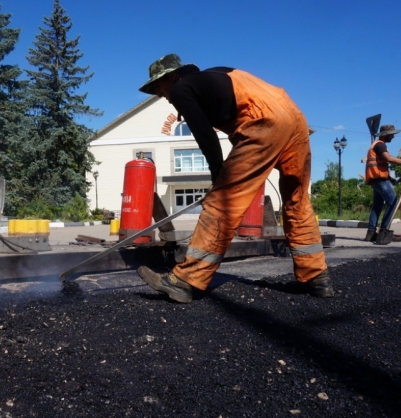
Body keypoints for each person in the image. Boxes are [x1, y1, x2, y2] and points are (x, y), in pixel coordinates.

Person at [136, 53, 333, 302]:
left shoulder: (181, 89)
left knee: (222, 203)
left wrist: (218, 176)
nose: (160, 94)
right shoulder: (215, 74)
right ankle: (316, 278)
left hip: (264, 122)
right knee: (297, 200)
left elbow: (205, 137)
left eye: (158, 86)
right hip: (295, 118)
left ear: (173, 77)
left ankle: (186, 280)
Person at [364, 124, 401, 242]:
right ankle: (383, 232)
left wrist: (389, 177)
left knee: (377, 207)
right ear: (386, 134)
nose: (393, 137)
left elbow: (378, 165)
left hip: (376, 179)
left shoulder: (376, 145)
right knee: (393, 202)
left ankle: (371, 233)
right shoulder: (380, 145)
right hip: (380, 180)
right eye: (392, 134)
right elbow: (388, 158)